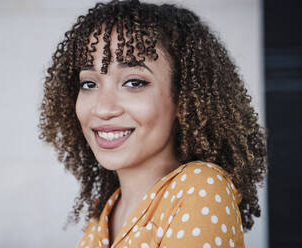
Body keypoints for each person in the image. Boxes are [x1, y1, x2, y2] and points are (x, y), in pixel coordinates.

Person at [39, 0, 268, 247]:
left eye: (134, 82)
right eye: (89, 84)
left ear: (184, 98)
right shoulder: (103, 214)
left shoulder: (200, 187)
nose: (103, 108)